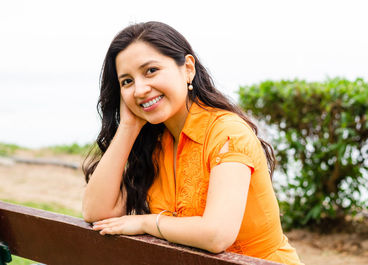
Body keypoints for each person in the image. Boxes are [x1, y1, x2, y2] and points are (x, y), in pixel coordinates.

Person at [82, 21, 303, 265]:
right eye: (127, 81)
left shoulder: (227, 133)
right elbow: (96, 212)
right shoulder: (155, 142)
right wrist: (128, 127)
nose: (140, 89)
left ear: (188, 68)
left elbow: (216, 235)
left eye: (151, 71)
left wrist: (146, 222)